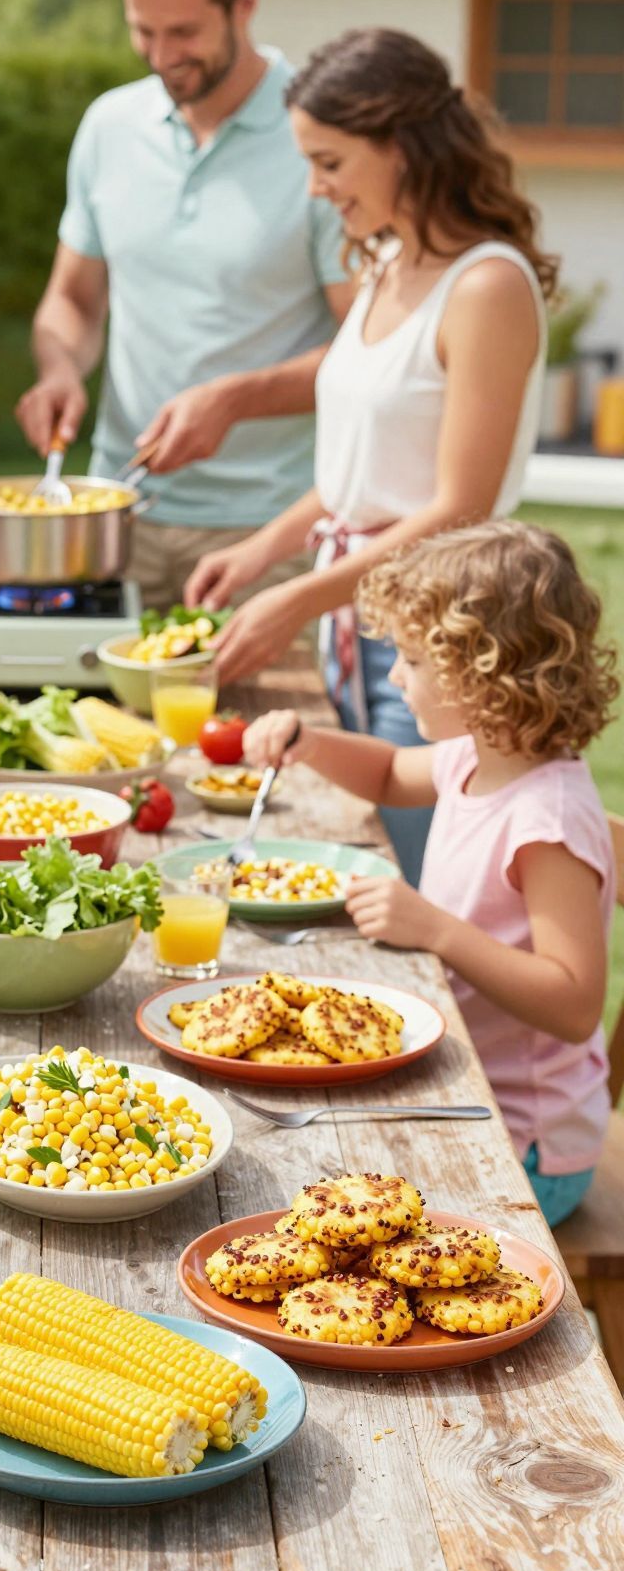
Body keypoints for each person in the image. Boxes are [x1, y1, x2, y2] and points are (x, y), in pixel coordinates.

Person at [186, 28, 553, 882]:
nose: (316, 190)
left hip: (440, 645)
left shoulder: (487, 286)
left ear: (402, 147)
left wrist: (294, 599)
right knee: (353, 868)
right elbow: (361, 476)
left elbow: (460, 507)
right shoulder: (388, 261)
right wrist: (261, 552)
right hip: (359, 623)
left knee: (417, 887)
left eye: (330, 163)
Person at [243, 522, 618, 1228]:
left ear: (485, 673)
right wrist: (311, 743)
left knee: (300, 1189)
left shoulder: (547, 822)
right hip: (453, 1083)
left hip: (522, 1142)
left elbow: (573, 1005)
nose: (393, 677)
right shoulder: (477, 755)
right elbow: (388, 772)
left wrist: (435, 929)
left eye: (411, 660)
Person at [16, 0, 352, 609]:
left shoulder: (318, 138)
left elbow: (369, 352)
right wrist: (60, 368)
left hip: (265, 534)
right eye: (143, 31)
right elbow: (74, 298)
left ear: (245, 2)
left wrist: (234, 400)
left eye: (184, 32)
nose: (163, 56)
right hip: (114, 518)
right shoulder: (108, 127)